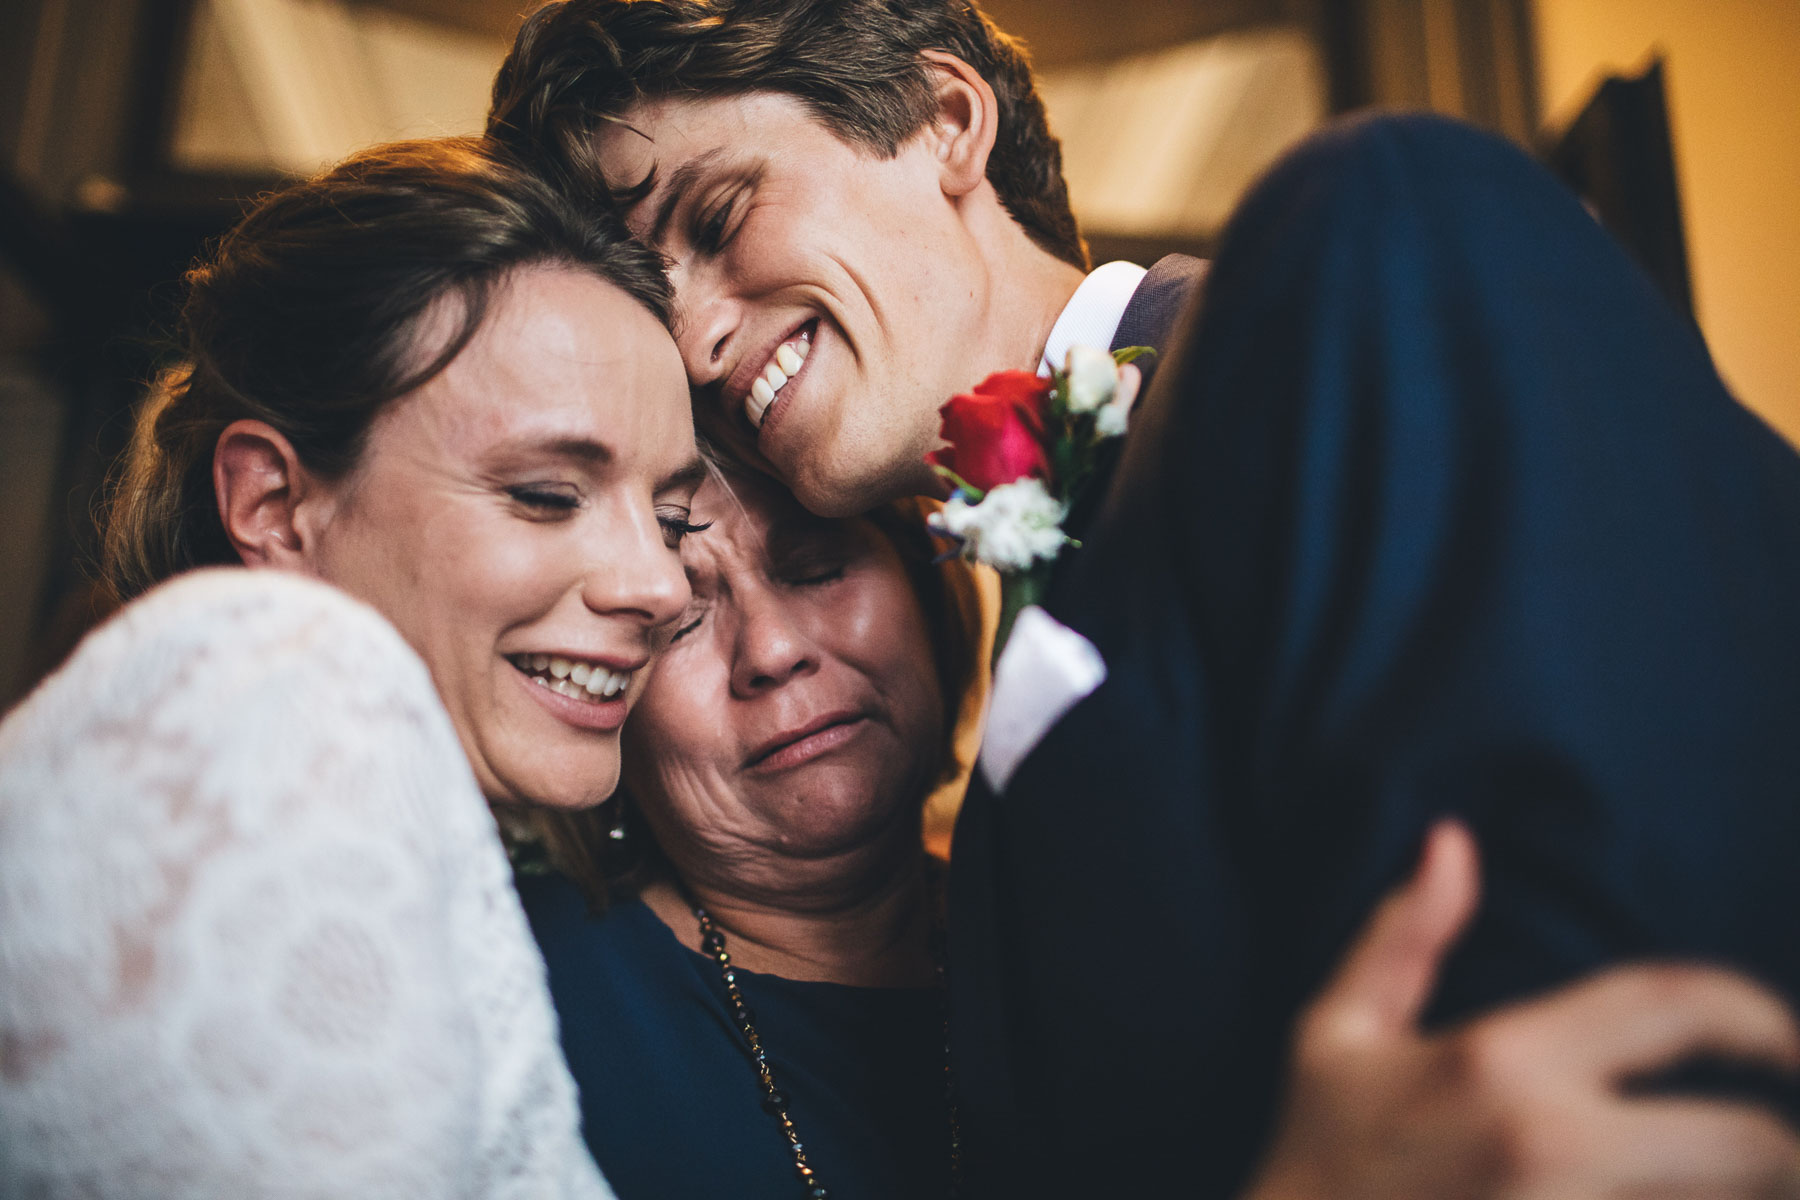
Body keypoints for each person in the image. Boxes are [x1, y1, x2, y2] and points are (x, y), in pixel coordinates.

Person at [486, 1, 1800, 1196]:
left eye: (718, 221)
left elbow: (1646, 986)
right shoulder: (996, 758)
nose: (703, 340)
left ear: (946, 123)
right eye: (662, 309)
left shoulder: (1356, 263)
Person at [0, 135, 701, 1197]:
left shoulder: (450, 867)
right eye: (547, 494)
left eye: (672, 515)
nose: (661, 585)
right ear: (275, 506)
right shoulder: (275, 678)